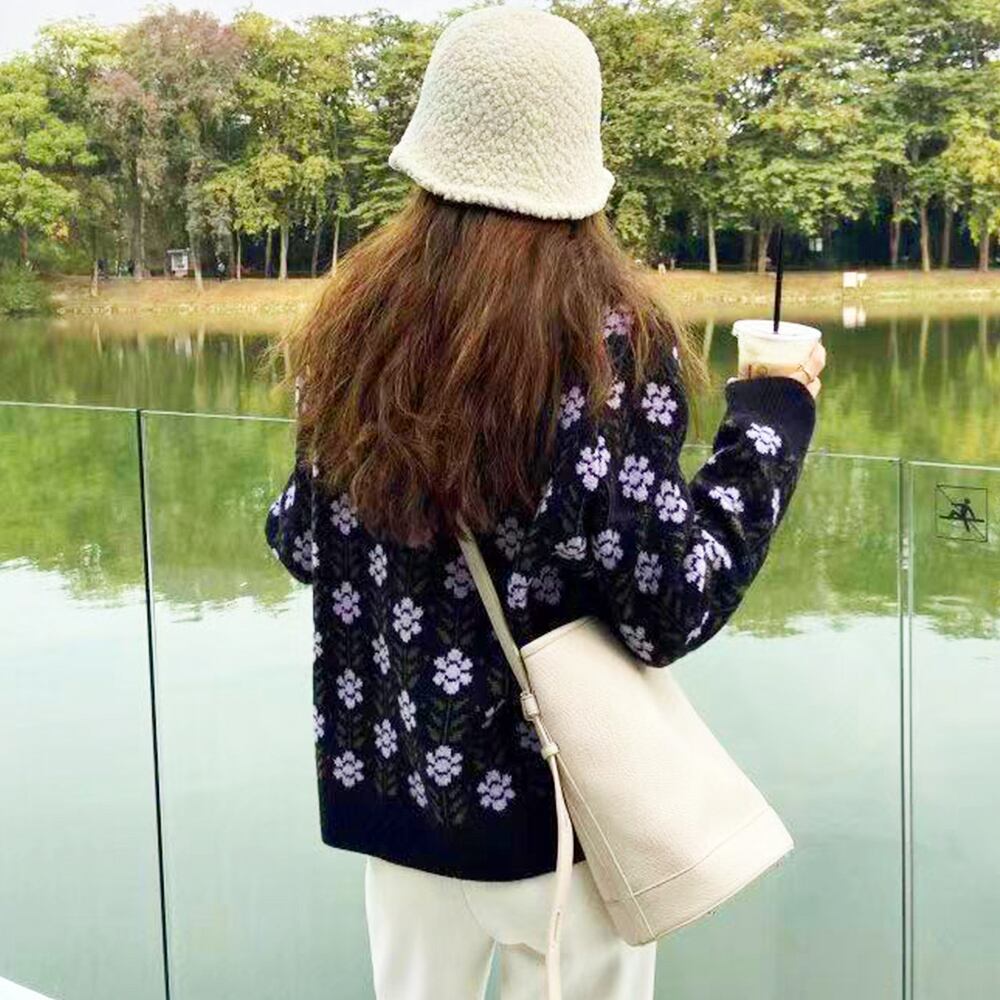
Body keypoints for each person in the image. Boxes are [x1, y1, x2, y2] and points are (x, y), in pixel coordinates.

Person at [264, 8, 824, 999]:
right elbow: (668, 606)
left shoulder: (355, 324)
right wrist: (772, 419)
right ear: (579, 160)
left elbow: (301, 538)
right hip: (560, 820)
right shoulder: (600, 342)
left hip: (401, 806)